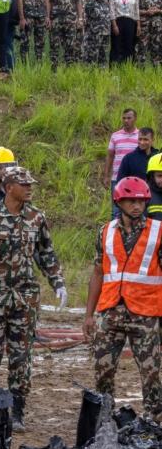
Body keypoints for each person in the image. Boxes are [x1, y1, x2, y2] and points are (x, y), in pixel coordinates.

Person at [0, 166, 66, 429]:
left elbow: (46, 254)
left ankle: (17, 411)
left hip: (25, 297)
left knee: (21, 357)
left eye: (31, 184)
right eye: (24, 184)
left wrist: (58, 282)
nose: (29, 188)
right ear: (8, 187)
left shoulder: (36, 218)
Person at [84, 177, 162, 421]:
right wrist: (89, 315)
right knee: (103, 370)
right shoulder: (105, 232)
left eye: (140, 201)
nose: (136, 206)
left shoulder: (158, 231)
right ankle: (104, 420)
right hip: (110, 312)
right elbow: (98, 272)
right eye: (131, 200)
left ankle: (154, 422)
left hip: (146, 314)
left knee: (152, 373)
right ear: (119, 201)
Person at [48, 0, 83, 69]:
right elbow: (49, 1)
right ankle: (53, 71)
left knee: (70, 46)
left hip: (71, 19)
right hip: (56, 20)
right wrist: (48, 17)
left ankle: (69, 71)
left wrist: (80, 18)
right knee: (54, 46)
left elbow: (78, 1)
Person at [107, 109, 141, 193]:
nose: (126, 120)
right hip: (117, 178)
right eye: (124, 118)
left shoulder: (141, 136)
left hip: (136, 179)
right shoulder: (115, 136)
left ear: (135, 118)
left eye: (129, 118)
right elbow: (110, 156)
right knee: (116, 205)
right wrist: (106, 176)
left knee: (136, 205)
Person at [110, 0, 139, 64]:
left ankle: (128, 66)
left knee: (129, 45)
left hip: (130, 22)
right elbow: (112, 11)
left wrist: (138, 26)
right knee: (117, 45)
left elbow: (136, 10)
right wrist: (114, 25)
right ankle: (115, 67)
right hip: (118, 22)